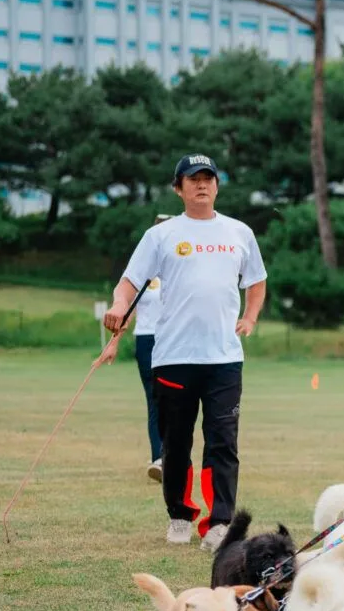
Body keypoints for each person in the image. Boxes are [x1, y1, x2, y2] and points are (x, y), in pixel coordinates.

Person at [104, 154, 268, 550]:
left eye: (208, 178)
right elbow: (129, 282)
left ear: (217, 185)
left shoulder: (239, 232)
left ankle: (219, 523)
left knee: (222, 443)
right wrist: (118, 306)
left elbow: (257, 281)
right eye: (193, 179)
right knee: (176, 443)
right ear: (178, 188)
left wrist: (250, 317)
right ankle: (180, 515)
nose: (202, 184)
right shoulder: (161, 235)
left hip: (224, 359)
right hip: (173, 356)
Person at [93, 215, 170, 483]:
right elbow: (128, 308)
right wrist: (113, 343)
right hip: (147, 340)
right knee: (155, 399)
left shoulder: (181, 267)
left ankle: (176, 457)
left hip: (176, 340)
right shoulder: (144, 272)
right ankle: (159, 459)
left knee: (178, 402)